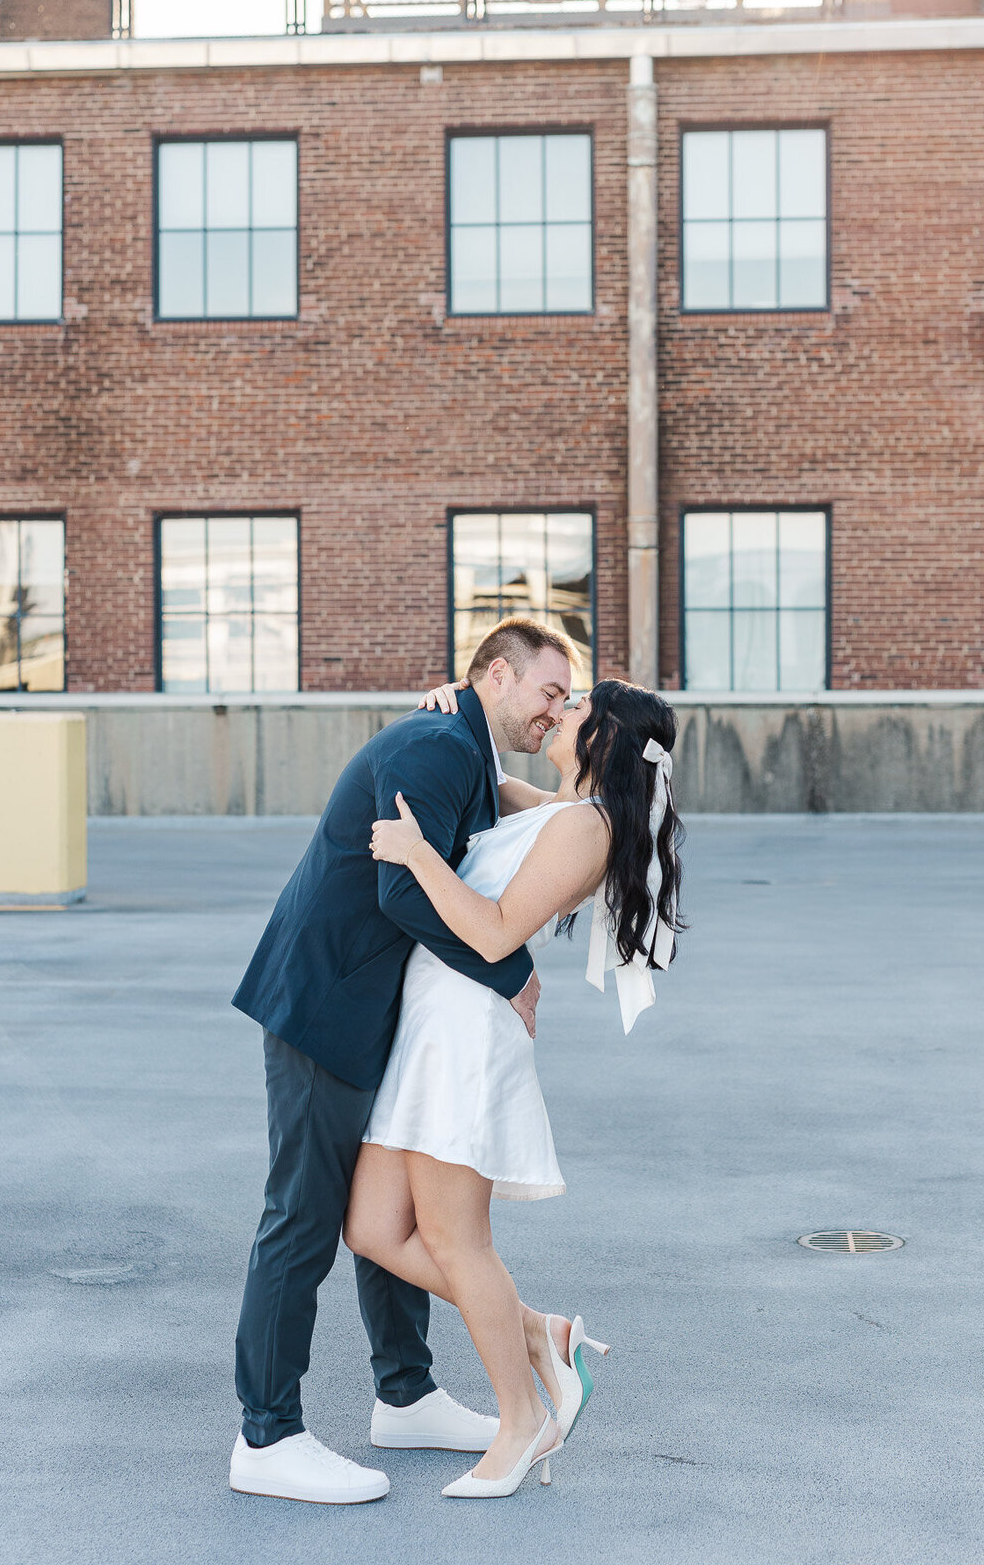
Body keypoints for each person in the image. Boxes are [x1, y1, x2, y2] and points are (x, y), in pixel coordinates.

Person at [228, 616, 577, 1504]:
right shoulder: (434, 744)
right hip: (325, 1006)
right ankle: (265, 1438)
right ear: (495, 677)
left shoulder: (457, 743)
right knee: (302, 1221)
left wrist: (570, 800)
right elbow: (401, 886)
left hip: (379, 1013)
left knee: (393, 1215)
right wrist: (510, 972)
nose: (556, 708)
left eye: (566, 699)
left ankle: (407, 1394)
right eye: (547, 690)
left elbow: (499, 798)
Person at [342, 673, 683, 1499]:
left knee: (460, 1241)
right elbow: (483, 773)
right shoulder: (558, 810)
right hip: (429, 1028)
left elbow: (495, 932)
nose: (557, 713)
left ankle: (522, 1421)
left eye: (574, 708)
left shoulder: (589, 829)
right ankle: (540, 1332)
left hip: (465, 1036)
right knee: (371, 1227)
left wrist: (420, 855)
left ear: (604, 737)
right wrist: (452, 703)